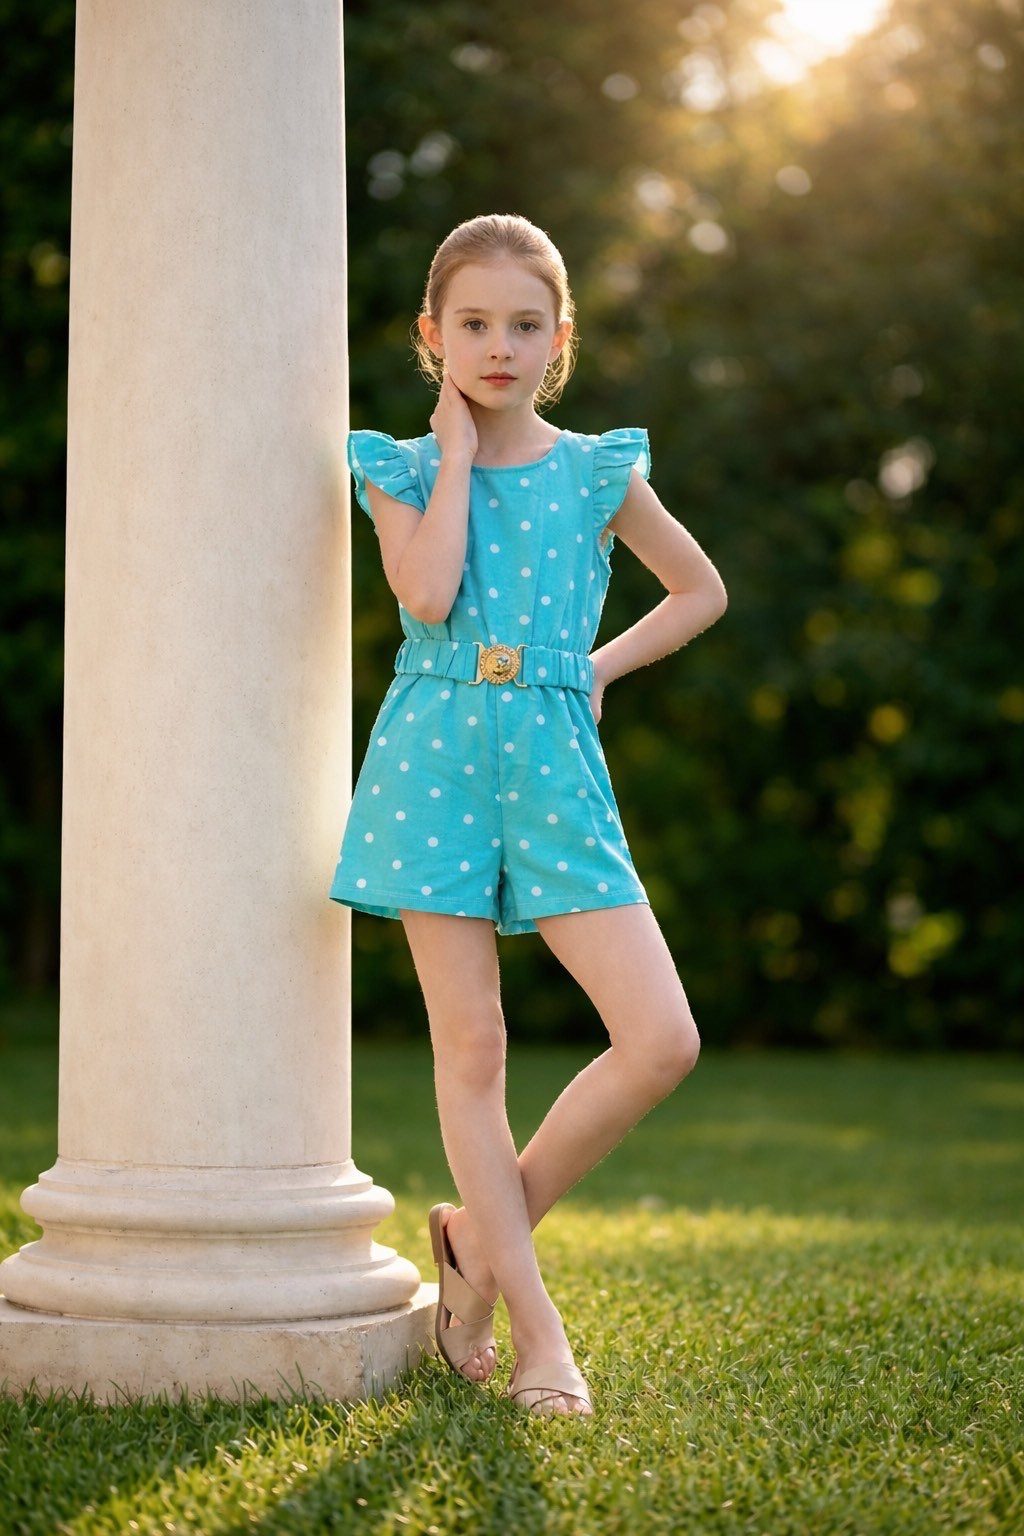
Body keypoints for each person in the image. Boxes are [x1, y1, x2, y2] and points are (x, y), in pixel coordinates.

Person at [329, 213, 728, 1416]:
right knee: (475, 1049)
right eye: (473, 324)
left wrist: (593, 671)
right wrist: (453, 457)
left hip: (555, 763)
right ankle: (540, 1338)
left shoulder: (597, 471)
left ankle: (474, 1242)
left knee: (661, 1039)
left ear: (559, 338)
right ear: (432, 335)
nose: (498, 346)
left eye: (523, 324)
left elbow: (699, 590)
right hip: (433, 761)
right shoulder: (398, 468)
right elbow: (427, 594)